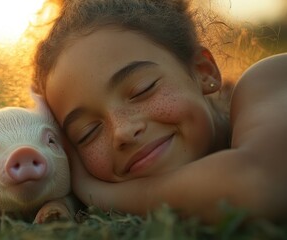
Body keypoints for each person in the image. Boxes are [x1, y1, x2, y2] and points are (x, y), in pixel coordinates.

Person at [30, 0, 287, 223]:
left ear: (203, 70)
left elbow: (257, 186)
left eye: (143, 90)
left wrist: (96, 193)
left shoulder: (272, 79)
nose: (123, 131)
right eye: (88, 132)